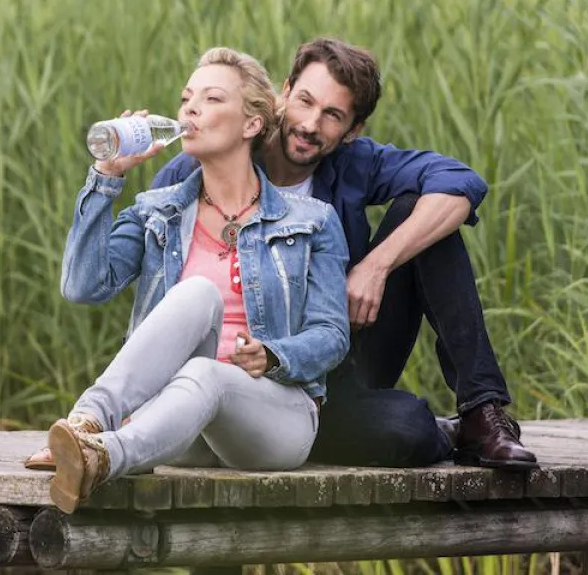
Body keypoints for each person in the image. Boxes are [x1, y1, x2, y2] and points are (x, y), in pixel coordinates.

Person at [151, 37, 537, 471]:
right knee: (409, 429)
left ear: (353, 130)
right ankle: (435, 432)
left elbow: (461, 182)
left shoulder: (354, 164)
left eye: (332, 115)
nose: (310, 124)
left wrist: (376, 264)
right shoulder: (208, 162)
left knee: (425, 218)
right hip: (243, 377)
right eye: (305, 101)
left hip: (335, 360)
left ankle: (482, 414)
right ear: (284, 92)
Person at [32, 47, 352, 513]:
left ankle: (102, 458)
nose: (190, 110)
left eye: (212, 98)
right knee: (198, 295)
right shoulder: (155, 209)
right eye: (187, 99)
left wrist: (274, 354)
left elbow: (332, 335)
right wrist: (106, 176)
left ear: (252, 124)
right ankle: (88, 424)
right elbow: (83, 286)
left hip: (271, 420)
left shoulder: (312, 221)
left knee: (208, 373)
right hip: (171, 422)